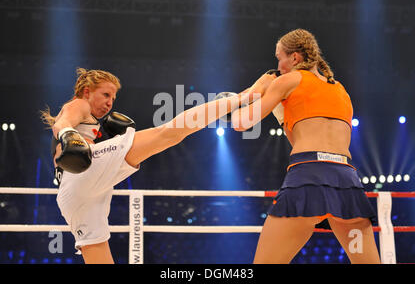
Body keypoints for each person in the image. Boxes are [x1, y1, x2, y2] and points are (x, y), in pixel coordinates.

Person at [40, 67, 257, 264]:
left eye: (113, 98)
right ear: (87, 92)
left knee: (98, 255)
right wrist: (67, 133)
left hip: (73, 195)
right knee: (168, 133)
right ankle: (237, 99)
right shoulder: (78, 104)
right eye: (105, 94)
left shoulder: (93, 120)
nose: (110, 102)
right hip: (83, 175)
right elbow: (62, 123)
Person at [232, 29, 380, 264]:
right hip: (346, 181)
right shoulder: (341, 90)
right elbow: (312, 138)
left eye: (279, 57)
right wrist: (283, 114)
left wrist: (257, 90)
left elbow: (241, 123)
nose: (278, 65)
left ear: (295, 58)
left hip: (308, 177)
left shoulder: (288, 80)